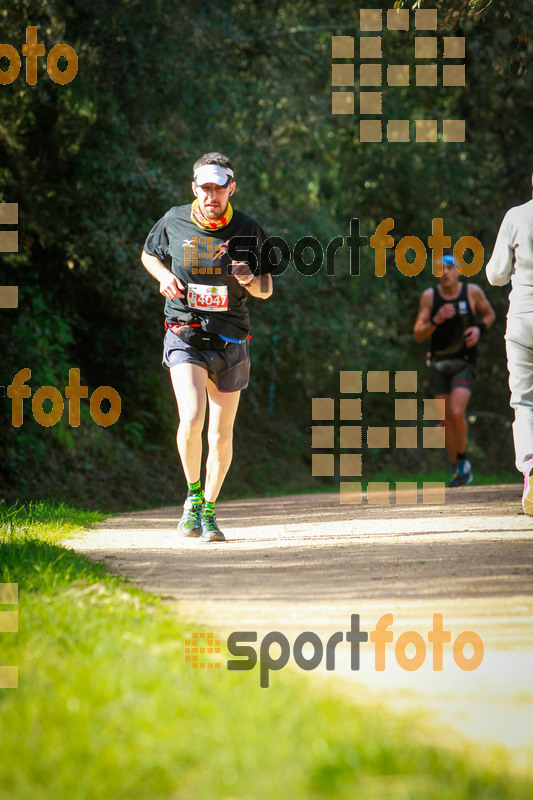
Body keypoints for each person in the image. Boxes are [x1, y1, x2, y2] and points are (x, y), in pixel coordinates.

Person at [141, 152, 273, 542]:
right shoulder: (174, 219)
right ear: (194, 188)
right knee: (193, 418)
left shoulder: (249, 229)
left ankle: (209, 511)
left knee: (220, 434)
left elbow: (266, 290)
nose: (211, 194)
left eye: (219, 187)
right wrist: (164, 275)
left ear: (232, 187)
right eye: (205, 187)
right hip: (184, 331)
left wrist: (250, 278)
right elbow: (149, 254)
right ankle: (192, 498)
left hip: (231, 337)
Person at [413, 254, 495, 487]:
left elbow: (489, 314)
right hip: (439, 364)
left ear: (458, 271)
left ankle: (462, 459)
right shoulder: (430, 297)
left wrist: (479, 329)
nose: (445, 272)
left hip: (464, 362)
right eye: (441, 268)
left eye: (450, 268)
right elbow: (418, 333)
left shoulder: (472, 292)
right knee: (444, 420)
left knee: (457, 411)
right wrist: (436, 320)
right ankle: (459, 468)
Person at [486, 178, 533, 515]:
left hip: (523, 320)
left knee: (525, 401)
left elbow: (496, 275)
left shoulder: (516, 217)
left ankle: (532, 471)